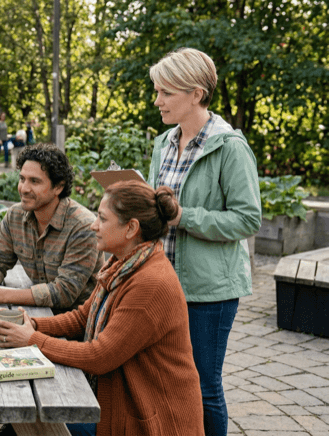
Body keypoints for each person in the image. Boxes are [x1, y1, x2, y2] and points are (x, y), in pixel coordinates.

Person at [0, 180, 204, 436]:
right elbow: (83, 317)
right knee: (23, 420)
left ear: (131, 228)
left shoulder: (150, 283)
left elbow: (99, 357)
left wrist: (32, 340)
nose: (93, 225)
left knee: (29, 421)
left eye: (102, 219)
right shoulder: (123, 264)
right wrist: (34, 323)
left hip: (148, 419)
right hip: (118, 399)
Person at [147, 47, 261, 435]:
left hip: (209, 292)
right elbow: (159, 211)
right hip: (163, 283)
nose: (157, 100)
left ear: (196, 94)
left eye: (166, 92)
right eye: (157, 91)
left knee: (203, 386)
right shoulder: (163, 143)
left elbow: (248, 219)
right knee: (168, 382)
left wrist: (184, 216)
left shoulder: (230, 147)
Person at [0, 143, 103, 312]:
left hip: (76, 326)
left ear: (58, 187)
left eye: (34, 181)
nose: (24, 188)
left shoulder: (82, 226)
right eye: (22, 179)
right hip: (35, 312)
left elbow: (64, 292)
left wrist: (0, 294)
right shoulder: (14, 216)